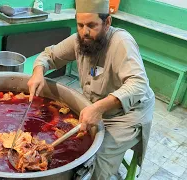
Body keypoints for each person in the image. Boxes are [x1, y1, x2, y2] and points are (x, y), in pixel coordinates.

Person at [27, 0, 155, 179]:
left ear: (107, 22)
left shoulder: (121, 42)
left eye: (92, 25)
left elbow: (138, 84)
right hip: (96, 107)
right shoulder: (80, 40)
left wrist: (99, 108)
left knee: (96, 161)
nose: (84, 32)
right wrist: (38, 71)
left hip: (127, 115)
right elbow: (50, 55)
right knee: (71, 148)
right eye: (80, 25)